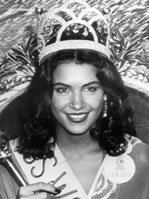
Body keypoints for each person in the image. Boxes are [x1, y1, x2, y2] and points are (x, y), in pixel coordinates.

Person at [0, 1, 149, 199]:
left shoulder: (142, 159)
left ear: (106, 93)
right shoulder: (10, 163)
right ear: (46, 95)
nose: (77, 104)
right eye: (62, 89)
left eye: (90, 88)